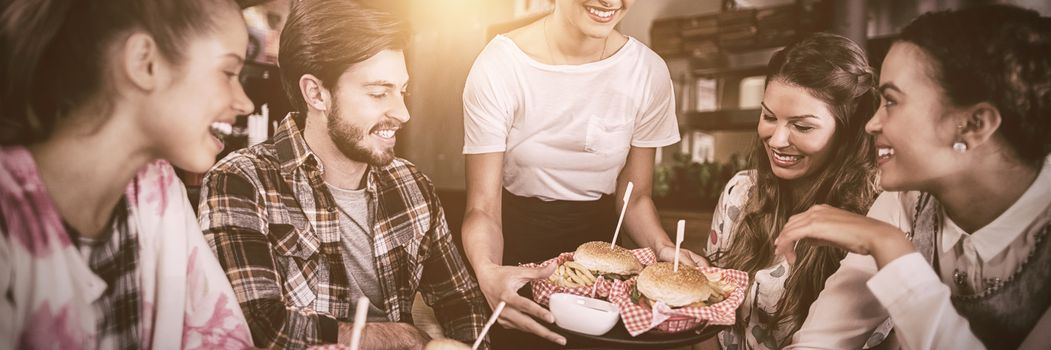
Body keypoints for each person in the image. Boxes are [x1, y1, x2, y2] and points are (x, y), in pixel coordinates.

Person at [197, 1, 490, 349]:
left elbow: (462, 302)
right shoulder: (241, 182)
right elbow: (262, 326)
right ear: (316, 93)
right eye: (379, 93)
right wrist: (404, 338)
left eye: (403, 91)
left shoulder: (412, 186)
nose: (403, 112)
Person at [776, 5, 1051, 349]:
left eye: (890, 102)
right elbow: (823, 341)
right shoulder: (906, 201)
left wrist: (889, 246)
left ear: (974, 124)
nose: (871, 124)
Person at [0, 0, 254, 348]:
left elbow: (223, 337)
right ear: (144, 63)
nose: (246, 103)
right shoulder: (8, 214)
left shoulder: (158, 191)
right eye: (227, 73)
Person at [460, 0, 706, 347]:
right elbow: (482, 207)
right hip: (515, 252)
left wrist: (662, 246)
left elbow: (635, 197)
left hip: (604, 264)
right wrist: (488, 272)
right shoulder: (501, 66)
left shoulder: (647, 72)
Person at [705, 33, 880, 350]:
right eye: (769, 117)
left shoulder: (873, 217)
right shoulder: (740, 193)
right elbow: (708, 321)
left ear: (846, 130)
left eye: (802, 126)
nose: (776, 140)